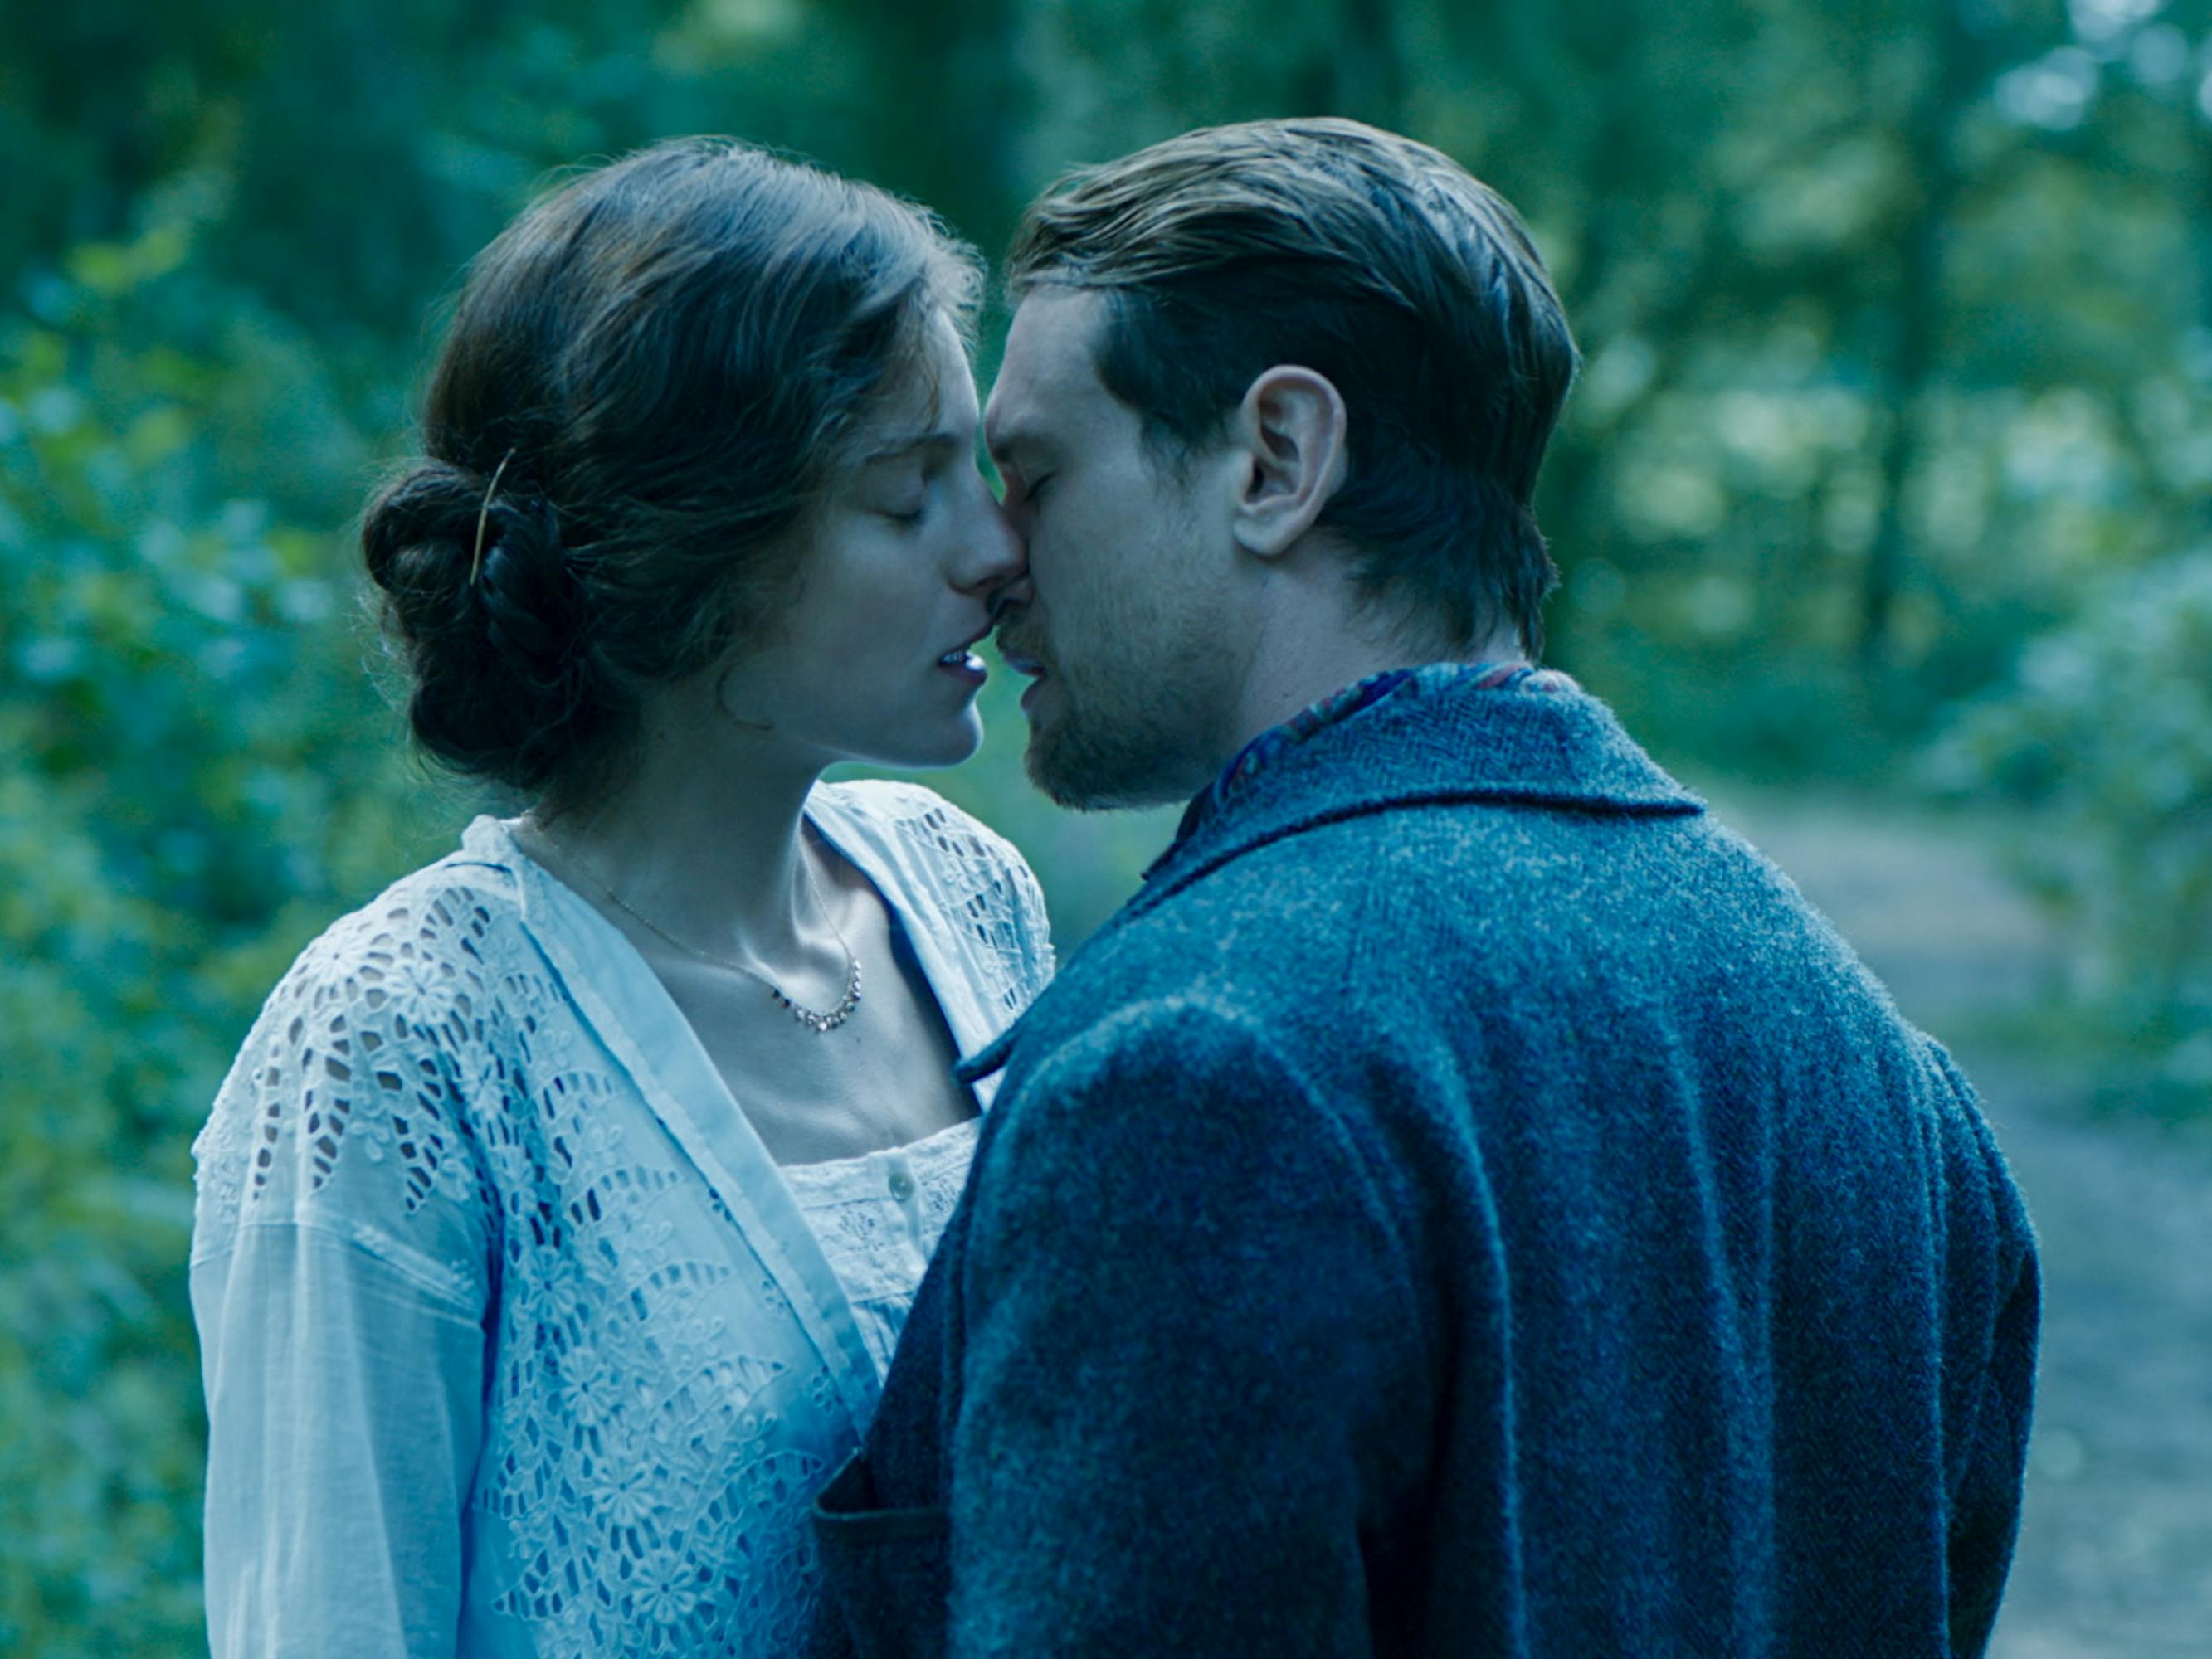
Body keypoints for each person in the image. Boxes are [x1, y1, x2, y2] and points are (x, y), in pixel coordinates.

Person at [808, 118, 2039, 1658]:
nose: (996, 554)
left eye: (1039, 472)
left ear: (1274, 459)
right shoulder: (1886, 1082)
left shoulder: (1194, 1072)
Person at [188, 138, 1049, 1659]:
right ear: (697, 546)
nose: (993, 551)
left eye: (977, 471)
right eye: (906, 497)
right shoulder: (397, 1044)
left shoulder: (967, 892)